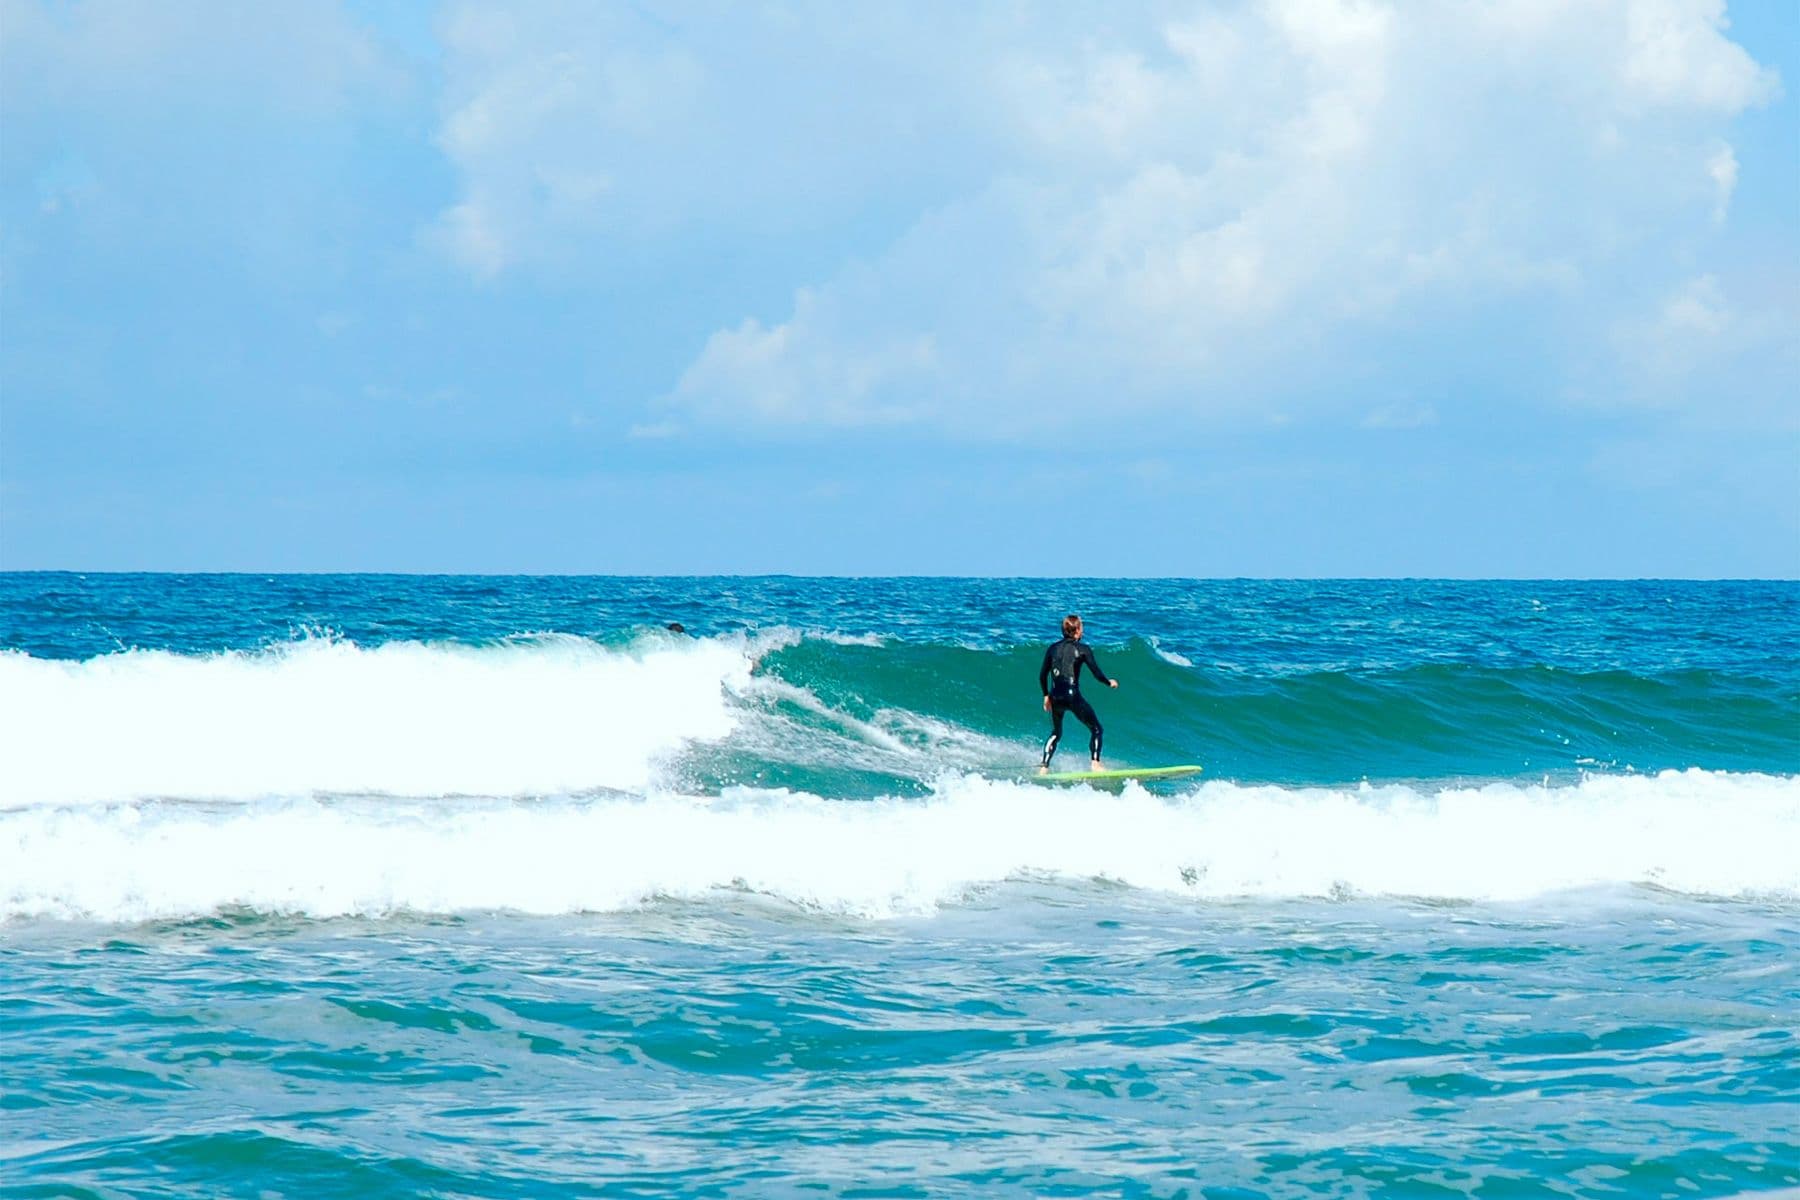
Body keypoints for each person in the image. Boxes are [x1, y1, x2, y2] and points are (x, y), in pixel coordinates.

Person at [1038, 614, 1118, 772]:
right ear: (1077, 631)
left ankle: (1044, 766)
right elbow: (1096, 673)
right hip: (1071, 694)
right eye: (1081, 628)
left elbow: (1042, 675)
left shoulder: (1052, 648)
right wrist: (1109, 682)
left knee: (1056, 732)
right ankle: (1095, 763)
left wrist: (1046, 696)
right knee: (1096, 729)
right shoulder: (1083, 649)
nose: (1082, 631)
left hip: (1055, 695)